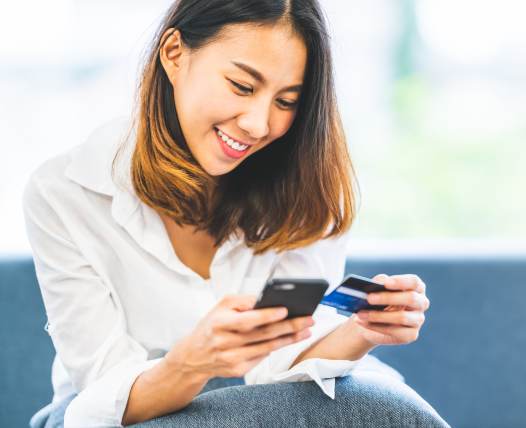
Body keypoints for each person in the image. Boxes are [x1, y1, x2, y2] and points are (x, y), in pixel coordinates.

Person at [23, 0, 448, 426]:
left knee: (375, 399)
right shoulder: (65, 193)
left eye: (286, 101)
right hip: (123, 411)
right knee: (382, 410)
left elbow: (281, 366)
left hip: (265, 399)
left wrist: (360, 333)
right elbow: (103, 396)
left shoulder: (307, 191)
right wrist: (192, 364)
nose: (259, 125)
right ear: (174, 54)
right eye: (242, 87)